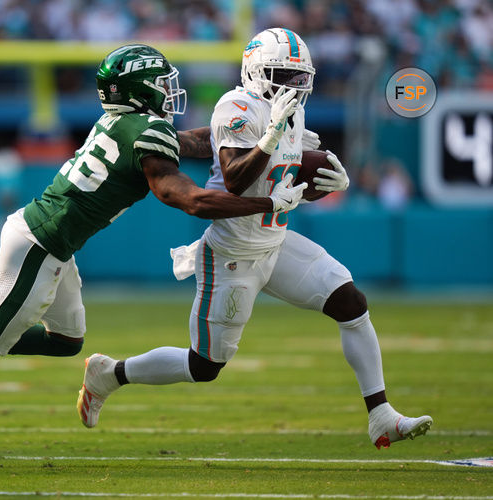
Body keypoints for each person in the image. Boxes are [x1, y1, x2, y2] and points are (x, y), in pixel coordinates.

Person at [0, 43, 307, 467]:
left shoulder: (124, 122)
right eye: (162, 82)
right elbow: (192, 201)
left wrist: (264, 135)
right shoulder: (146, 132)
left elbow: (195, 141)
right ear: (142, 88)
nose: (170, 91)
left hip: (52, 242)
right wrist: (270, 201)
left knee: (68, 341)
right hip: (40, 244)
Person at [75, 29, 433, 450]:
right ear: (255, 70)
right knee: (205, 365)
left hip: (274, 243)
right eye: (283, 74)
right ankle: (110, 374)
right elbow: (236, 178)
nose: (293, 86)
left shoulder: (288, 111)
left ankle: (381, 416)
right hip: (230, 253)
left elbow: (284, 173)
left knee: (351, 303)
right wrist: (272, 135)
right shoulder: (237, 105)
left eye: (300, 77)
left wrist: (329, 178)